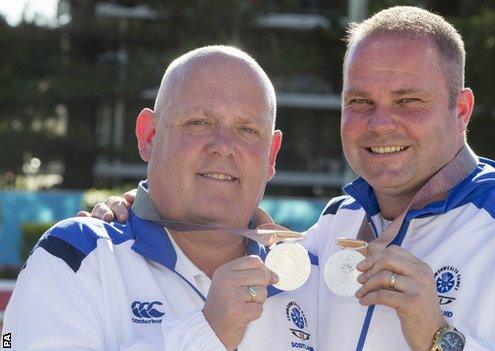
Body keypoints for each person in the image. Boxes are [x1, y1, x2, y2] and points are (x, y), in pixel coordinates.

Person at [84, 6, 495, 351]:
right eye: (359, 102)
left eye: (408, 101)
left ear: (461, 110)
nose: (380, 123)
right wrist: (144, 206)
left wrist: (441, 339)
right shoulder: (332, 229)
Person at [2, 46, 319, 350]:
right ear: (149, 136)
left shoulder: (314, 283)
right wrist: (206, 334)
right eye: (199, 123)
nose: (224, 145)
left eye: (248, 130)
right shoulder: (75, 258)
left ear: (271, 155)